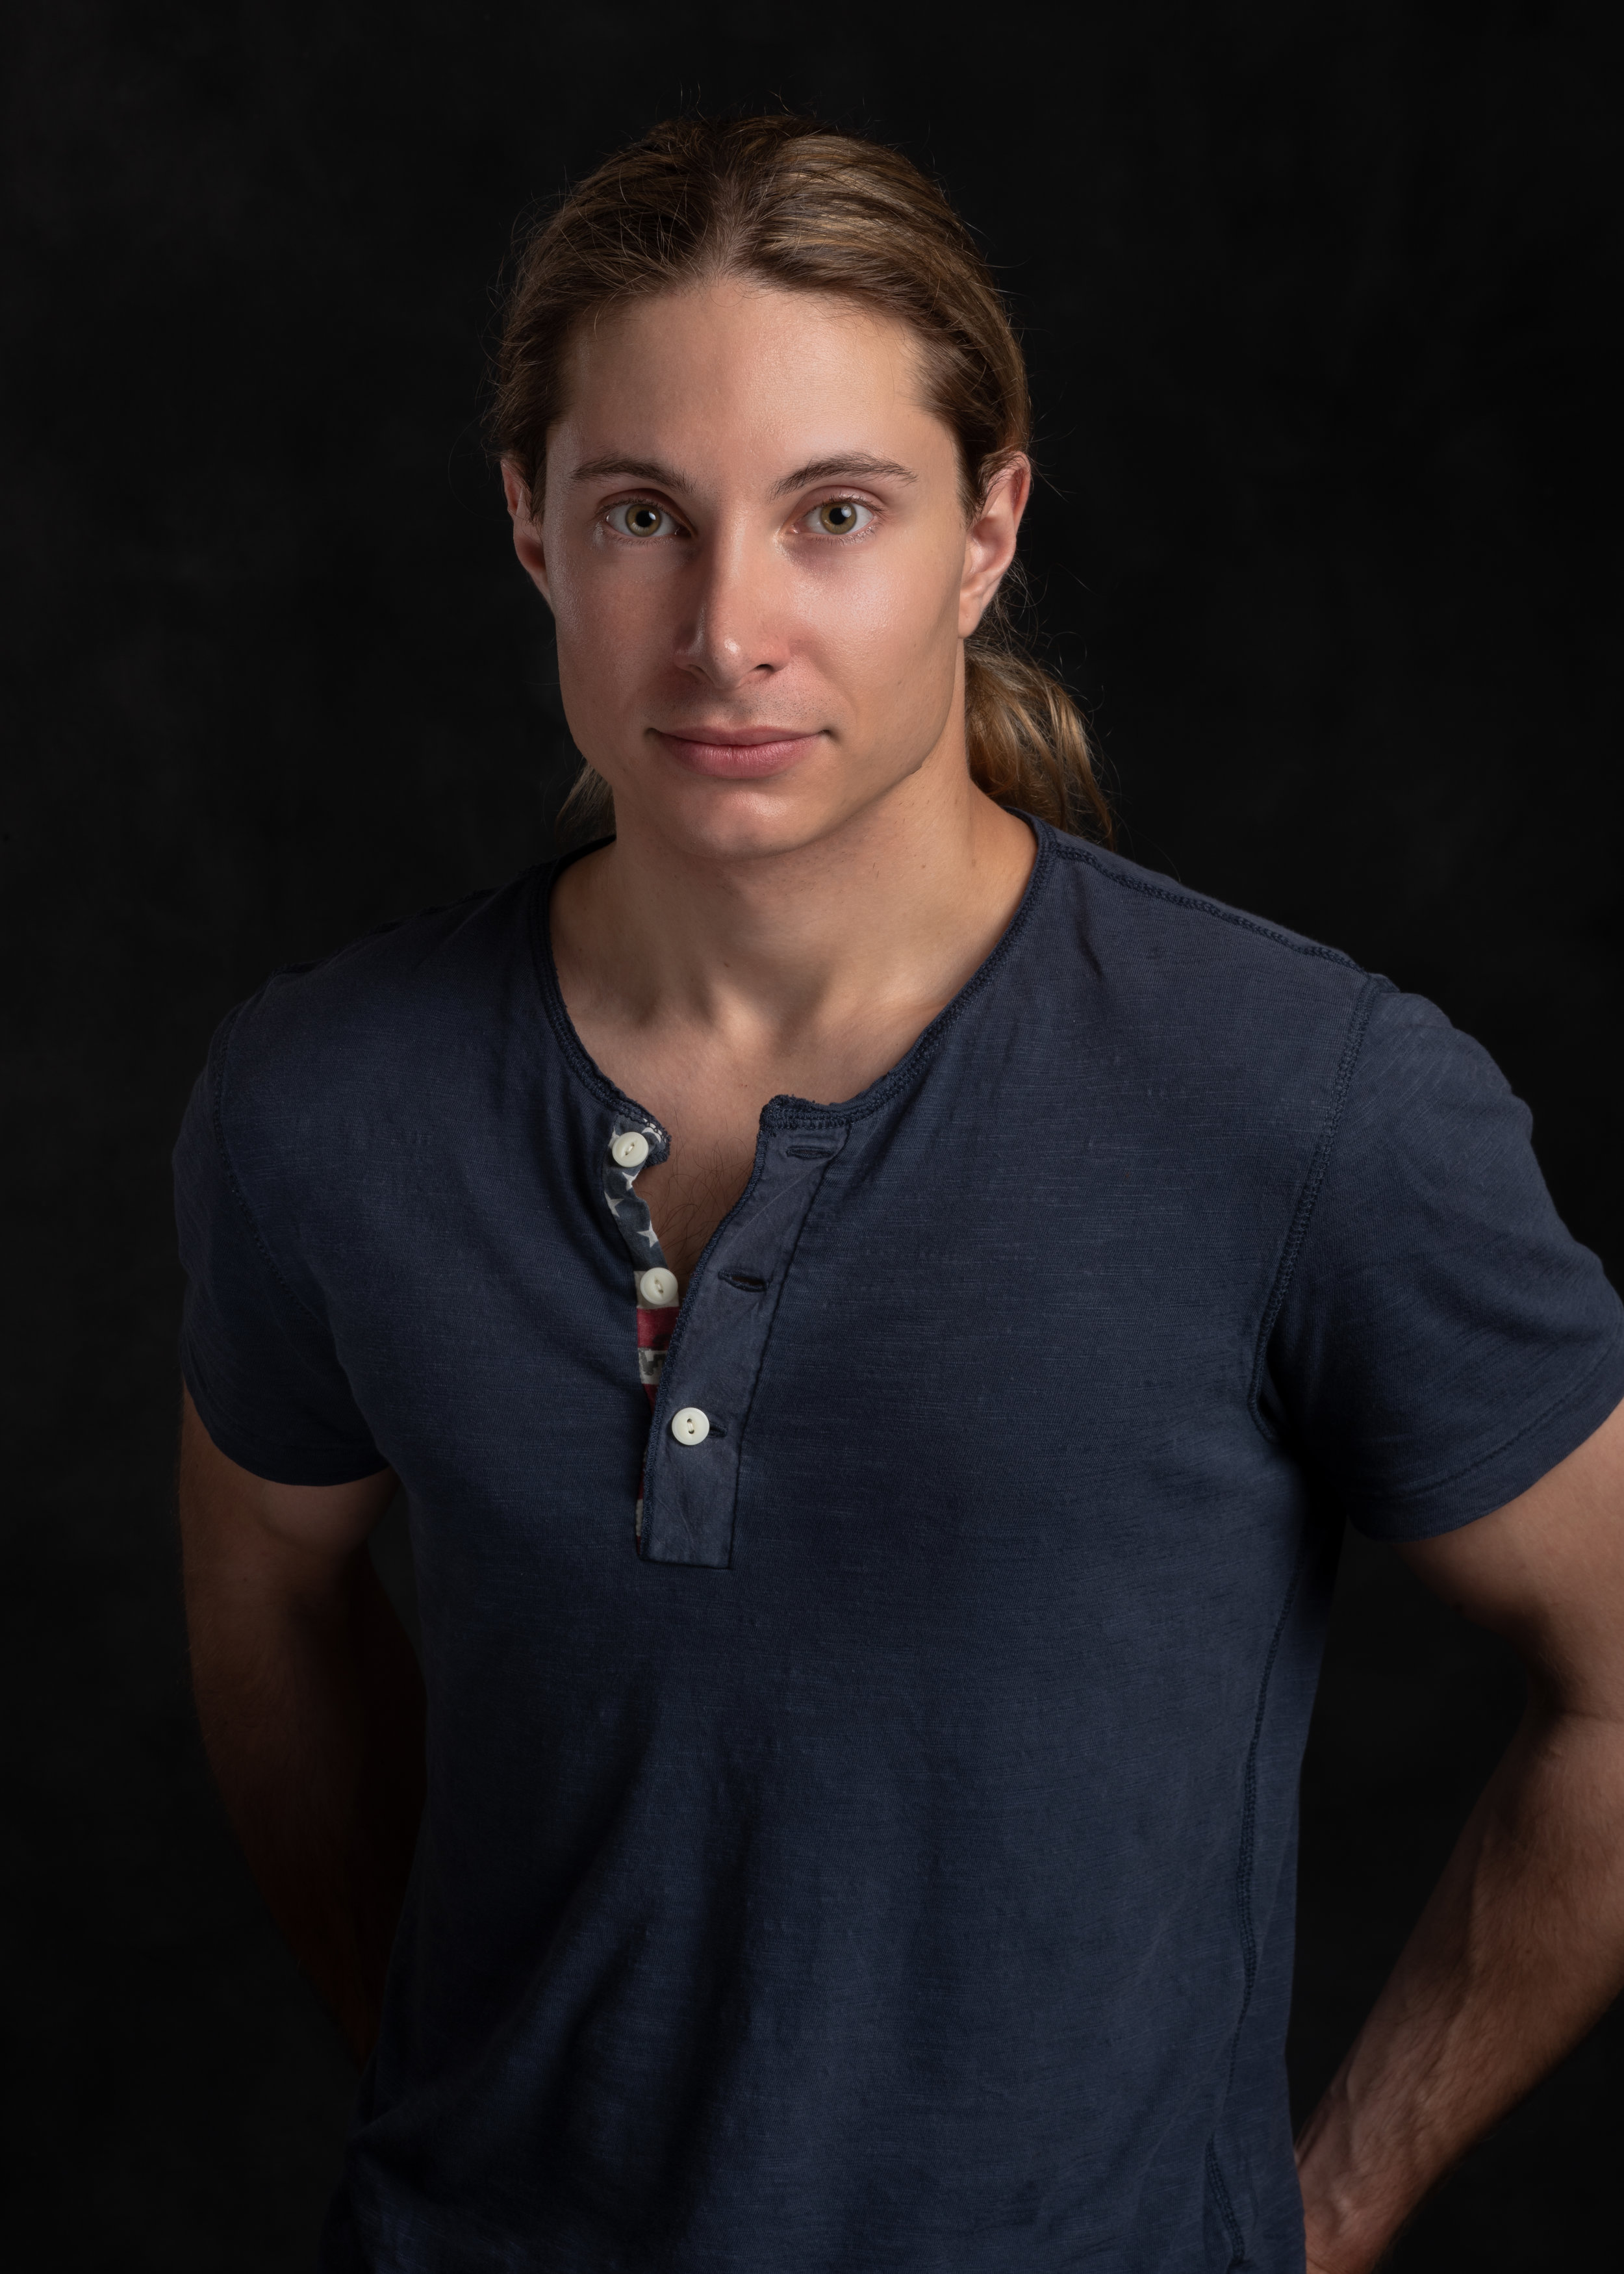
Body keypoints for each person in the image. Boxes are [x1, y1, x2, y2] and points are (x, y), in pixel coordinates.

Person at [174, 115, 1624, 2274]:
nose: (726, 625)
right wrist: (469, 2083)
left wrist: (1319, 2211)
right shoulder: (323, 1101)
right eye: (642, 515)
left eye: (832, 514)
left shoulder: (1308, 1104)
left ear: (986, 526)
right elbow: (268, 1603)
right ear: (529, 529)